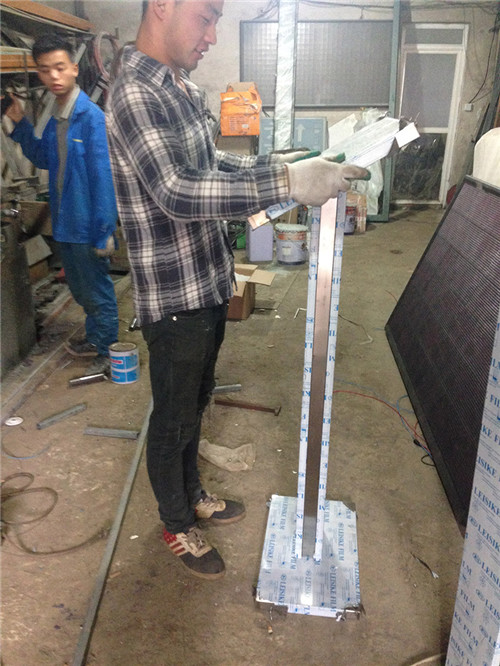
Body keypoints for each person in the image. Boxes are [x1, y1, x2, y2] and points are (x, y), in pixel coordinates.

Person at [106, 0, 368, 580]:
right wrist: (285, 182)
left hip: (207, 281)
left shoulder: (180, 87)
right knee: (173, 418)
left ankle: (192, 492)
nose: (212, 35)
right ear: (162, 6)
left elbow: (213, 166)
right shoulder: (135, 94)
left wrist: (280, 164)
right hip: (173, 296)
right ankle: (176, 522)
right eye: (206, 17)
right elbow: (178, 191)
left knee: (196, 403)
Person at [6, 34, 119, 376]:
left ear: (74, 68)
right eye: (45, 70)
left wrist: (104, 231)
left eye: (59, 67)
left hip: (87, 226)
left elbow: (103, 179)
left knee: (97, 291)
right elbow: (44, 158)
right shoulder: (59, 115)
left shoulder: (91, 118)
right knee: (82, 290)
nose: (53, 76)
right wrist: (20, 123)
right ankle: (97, 338)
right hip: (66, 223)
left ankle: (109, 351)